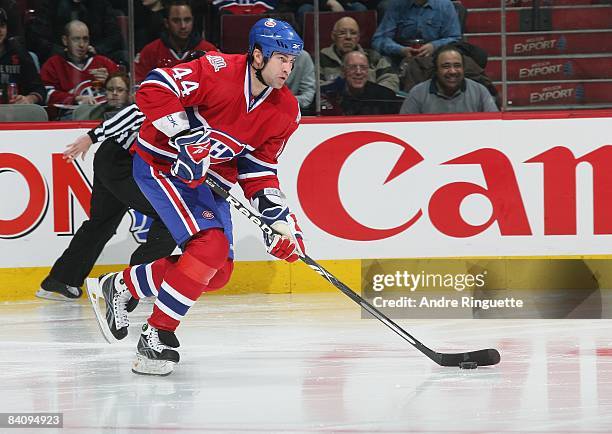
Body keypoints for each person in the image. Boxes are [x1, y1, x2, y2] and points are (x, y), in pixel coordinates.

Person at [87, 18, 306, 376]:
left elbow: (259, 170)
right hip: (163, 166)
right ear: (256, 55)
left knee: (217, 272)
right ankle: (156, 334)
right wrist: (185, 134)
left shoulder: (286, 112)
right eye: (281, 58)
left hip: (211, 180)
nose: (288, 67)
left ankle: (123, 286)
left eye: (292, 61)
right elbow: (154, 88)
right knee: (210, 247)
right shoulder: (217, 70)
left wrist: (280, 221)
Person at [37, 103, 177, 301]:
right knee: (171, 215)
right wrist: (91, 137)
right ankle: (138, 282)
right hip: (120, 161)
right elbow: (136, 112)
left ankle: (61, 280)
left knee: (102, 222)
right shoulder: (180, 99)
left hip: (118, 160)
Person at [40, 20, 119, 118]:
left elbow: (124, 91)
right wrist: (76, 99)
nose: (81, 45)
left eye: (85, 39)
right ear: (65, 40)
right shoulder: (53, 65)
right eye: (76, 39)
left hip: (106, 115)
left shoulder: (103, 62)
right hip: (69, 117)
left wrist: (109, 81)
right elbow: (47, 95)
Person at [134, 0, 217, 83]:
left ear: (193, 20)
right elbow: (139, 84)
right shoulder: (150, 52)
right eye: (176, 21)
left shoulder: (209, 51)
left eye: (187, 20)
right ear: (166, 23)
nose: (183, 26)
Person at [400, 45, 498, 114]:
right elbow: (405, 129)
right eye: (446, 66)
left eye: (457, 66)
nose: (452, 71)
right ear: (436, 70)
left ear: (464, 68)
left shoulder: (480, 91)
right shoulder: (417, 93)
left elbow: (494, 125)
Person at [25, 0, 125, 65]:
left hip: (93, 57)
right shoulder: (50, 3)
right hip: (60, 59)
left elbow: (115, 37)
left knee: (123, 56)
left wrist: (96, 49)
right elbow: (37, 38)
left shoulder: (100, 3)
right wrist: (64, 52)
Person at [320, 16, 398, 92]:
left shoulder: (373, 57)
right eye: (342, 33)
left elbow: (391, 80)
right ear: (333, 36)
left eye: (353, 33)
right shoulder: (320, 58)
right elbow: (315, 86)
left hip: (369, 102)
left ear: (358, 38)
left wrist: (370, 93)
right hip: (334, 102)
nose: (348, 37)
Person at [372, 0, 461, 61]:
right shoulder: (396, 5)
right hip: (401, 58)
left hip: (435, 58)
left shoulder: (445, 5)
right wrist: (400, 50)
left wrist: (434, 46)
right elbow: (379, 39)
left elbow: (455, 38)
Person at [321, 50, 402, 115]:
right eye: (352, 67)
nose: (358, 72)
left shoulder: (385, 96)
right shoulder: (325, 94)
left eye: (363, 67)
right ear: (343, 70)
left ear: (368, 71)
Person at [0, 8, 46, 105]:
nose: (0, 30)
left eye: (2, 26)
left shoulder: (19, 52)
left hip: (15, 113)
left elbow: (40, 90)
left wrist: (29, 99)